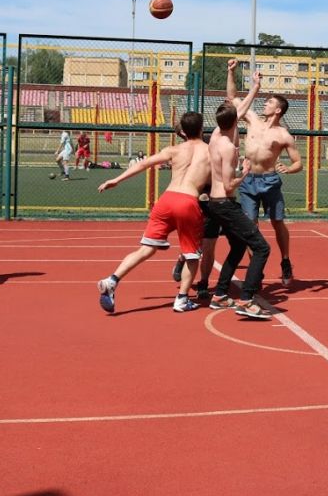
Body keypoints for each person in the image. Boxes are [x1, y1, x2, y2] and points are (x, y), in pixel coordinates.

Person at [94, 111, 213, 314]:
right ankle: (182, 299)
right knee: (192, 256)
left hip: (166, 200)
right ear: (202, 128)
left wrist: (116, 180)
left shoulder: (174, 150)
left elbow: (143, 163)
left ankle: (112, 280)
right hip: (188, 201)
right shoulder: (211, 152)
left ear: (183, 132)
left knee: (146, 249)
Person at [226, 58, 303, 286]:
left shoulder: (283, 135)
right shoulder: (252, 119)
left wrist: (288, 169)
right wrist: (231, 72)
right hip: (248, 180)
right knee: (250, 226)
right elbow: (232, 98)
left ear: (278, 110)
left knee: (277, 222)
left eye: (269, 102)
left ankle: (285, 260)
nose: (265, 104)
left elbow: (298, 163)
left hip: (270, 181)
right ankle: (256, 269)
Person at [205, 72, 274, 320]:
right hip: (224, 202)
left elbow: (240, 107)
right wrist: (244, 172)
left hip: (216, 203)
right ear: (236, 121)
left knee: (238, 246)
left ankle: (220, 294)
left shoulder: (216, 134)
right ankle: (246, 299)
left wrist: (255, 87)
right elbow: (228, 186)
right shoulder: (227, 147)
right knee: (262, 248)